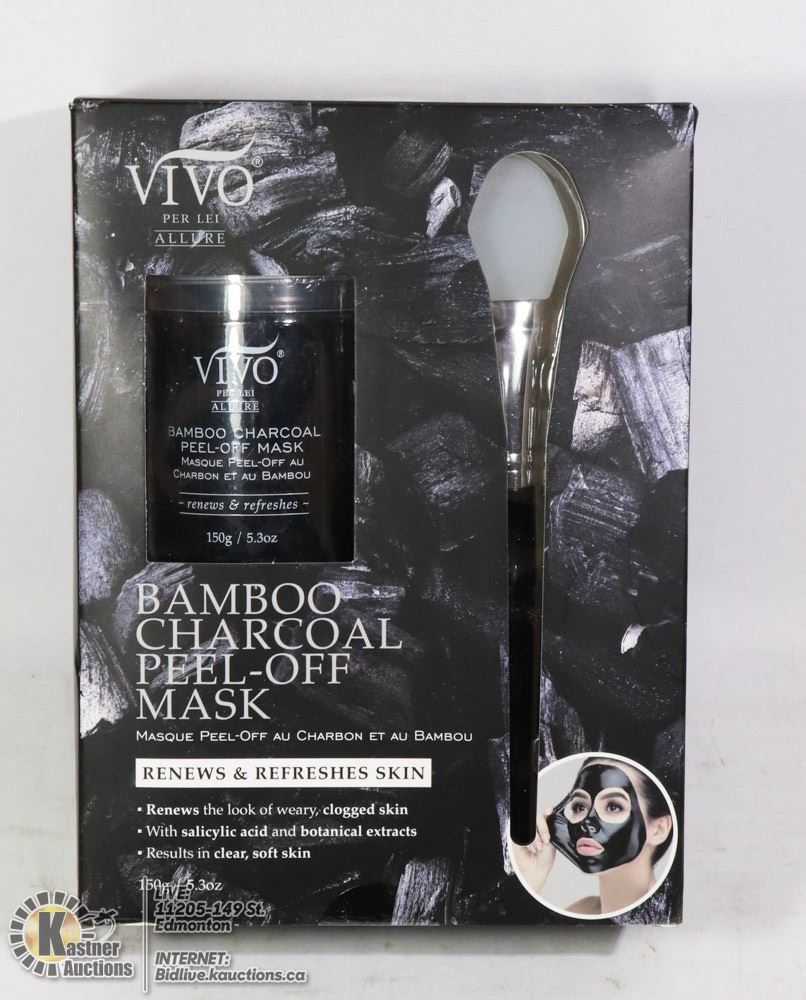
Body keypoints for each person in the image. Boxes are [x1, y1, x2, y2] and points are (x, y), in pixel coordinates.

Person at [510, 757, 673, 916]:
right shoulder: (577, 911)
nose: (587, 821)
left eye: (613, 807)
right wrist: (529, 876)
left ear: (659, 829)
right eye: (580, 807)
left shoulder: (662, 917)